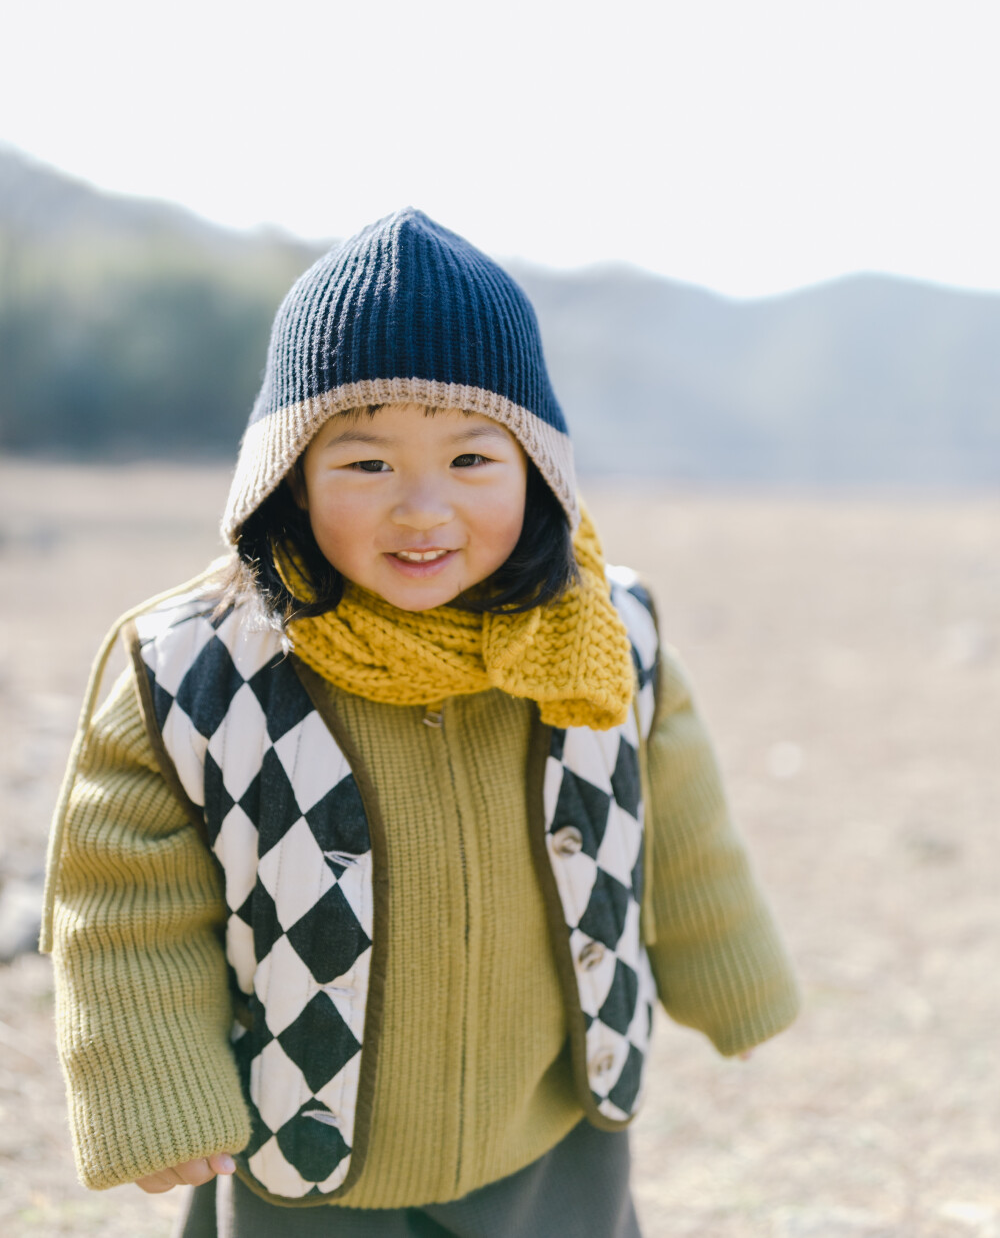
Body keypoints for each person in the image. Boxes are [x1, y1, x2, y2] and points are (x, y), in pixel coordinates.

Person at [41, 209, 800, 1238]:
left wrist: (730, 978)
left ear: (537, 471)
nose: (422, 510)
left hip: (547, 1125)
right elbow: (127, 904)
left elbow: (677, 821)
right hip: (305, 1145)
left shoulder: (606, 629)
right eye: (365, 465)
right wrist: (155, 1091)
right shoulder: (197, 667)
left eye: (472, 461)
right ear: (286, 479)